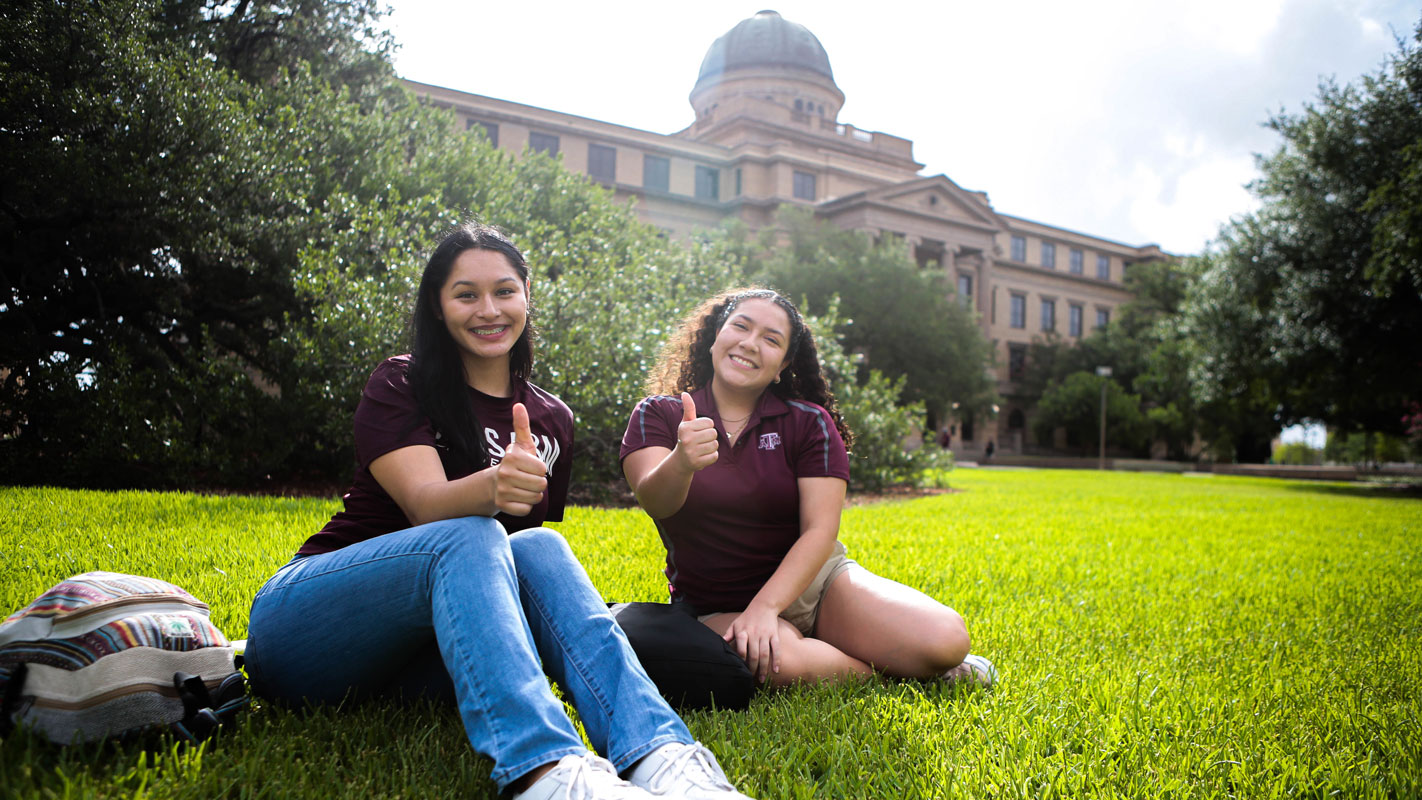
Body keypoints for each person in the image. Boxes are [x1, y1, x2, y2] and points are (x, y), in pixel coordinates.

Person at [246, 225, 753, 800]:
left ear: (527, 296)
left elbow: (512, 572)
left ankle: (663, 757)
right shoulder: (402, 382)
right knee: (468, 533)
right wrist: (493, 485)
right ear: (438, 307)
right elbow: (425, 508)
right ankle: (546, 772)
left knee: (539, 547)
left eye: (504, 291)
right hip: (308, 633)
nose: (488, 310)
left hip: (421, 665)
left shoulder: (549, 419)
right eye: (466, 294)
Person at [620, 288, 996, 689]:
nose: (750, 343)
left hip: (817, 585)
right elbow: (655, 501)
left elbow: (820, 530)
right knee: (783, 663)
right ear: (716, 336)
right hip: (719, 603)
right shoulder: (658, 414)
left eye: (771, 339)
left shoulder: (808, 422)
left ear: (782, 366)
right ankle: (892, 675)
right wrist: (682, 460)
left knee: (947, 639)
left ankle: (866, 648)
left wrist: (768, 607)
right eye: (741, 326)